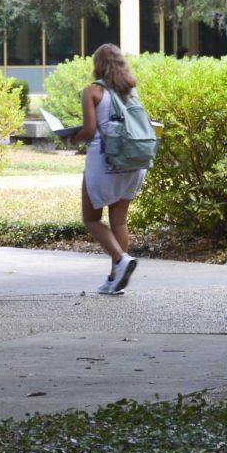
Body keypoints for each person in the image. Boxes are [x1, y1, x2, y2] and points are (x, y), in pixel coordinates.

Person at [71, 44, 147, 295]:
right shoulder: (130, 90)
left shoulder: (93, 91)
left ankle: (120, 259)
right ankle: (116, 279)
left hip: (105, 163)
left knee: (91, 218)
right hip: (133, 163)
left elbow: (90, 131)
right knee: (119, 220)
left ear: (98, 65)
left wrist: (71, 138)